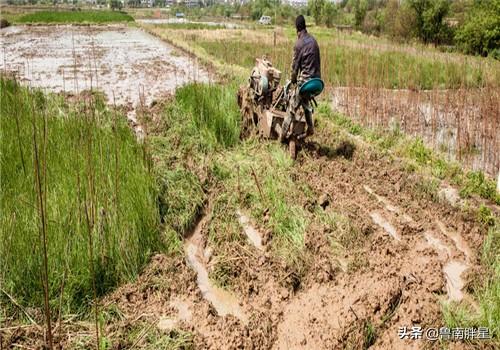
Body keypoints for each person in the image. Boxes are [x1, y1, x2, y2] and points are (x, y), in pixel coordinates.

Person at [280, 15, 321, 141]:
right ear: (305, 26)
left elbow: (294, 70)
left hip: (306, 82)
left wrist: (292, 82)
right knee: (306, 101)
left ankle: (282, 137)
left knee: (292, 107)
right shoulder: (314, 41)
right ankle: (310, 129)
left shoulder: (298, 44)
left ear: (296, 28)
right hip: (317, 82)